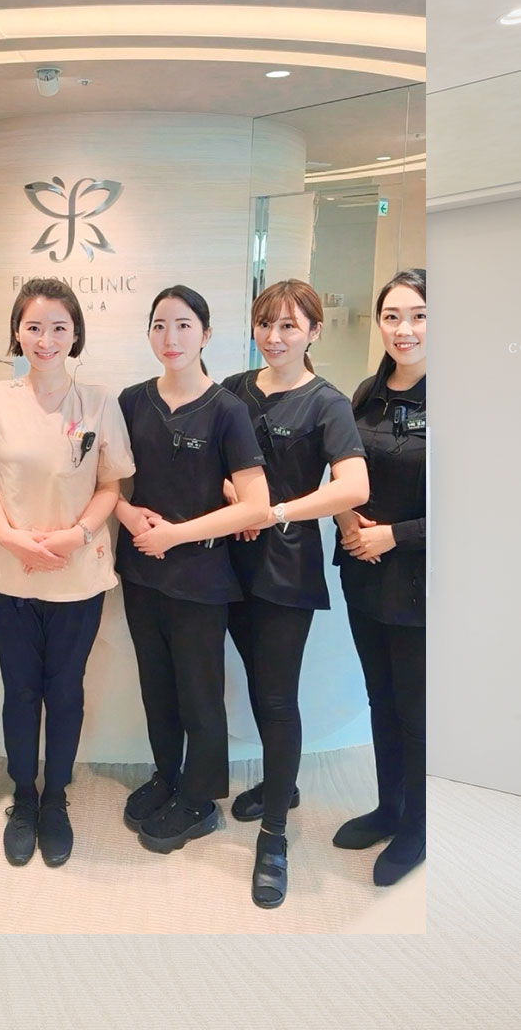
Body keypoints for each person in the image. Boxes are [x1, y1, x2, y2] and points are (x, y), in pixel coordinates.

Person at [0, 277, 135, 867]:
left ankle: (56, 797)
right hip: (11, 574)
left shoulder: (98, 401)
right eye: (34, 326)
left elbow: (112, 485)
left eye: (58, 327)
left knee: (65, 692)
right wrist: (11, 537)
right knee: (20, 691)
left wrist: (78, 534)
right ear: (17, 332)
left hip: (78, 575)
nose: (45, 339)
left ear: (75, 334)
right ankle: (23, 795)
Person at [222, 278, 369, 909]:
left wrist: (276, 511)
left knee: (277, 695)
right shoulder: (234, 388)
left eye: (288, 325)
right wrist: (237, 497)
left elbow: (353, 487)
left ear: (313, 331)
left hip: (285, 566)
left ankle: (275, 835)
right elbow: (216, 462)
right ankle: (282, 784)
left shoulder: (326, 402)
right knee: (258, 684)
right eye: (265, 323)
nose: (274, 337)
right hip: (229, 561)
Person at [114, 286, 270, 854]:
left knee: (199, 692)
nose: (170, 337)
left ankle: (200, 799)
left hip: (201, 577)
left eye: (183, 325)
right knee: (156, 686)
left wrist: (173, 535)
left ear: (205, 334)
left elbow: (255, 505)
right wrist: (131, 517)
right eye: (160, 325)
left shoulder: (227, 410)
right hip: (141, 572)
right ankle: (167, 776)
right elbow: (111, 483)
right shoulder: (132, 401)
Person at [332, 269, 426, 887]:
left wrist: (393, 535)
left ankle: (419, 826)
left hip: (421, 580)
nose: (403, 329)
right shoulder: (368, 391)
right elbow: (342, 470)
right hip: (364, 574)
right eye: (392, 316)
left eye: (418, 315)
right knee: (380, 698)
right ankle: (389, 807)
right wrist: (346, 519)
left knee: (416, 708)